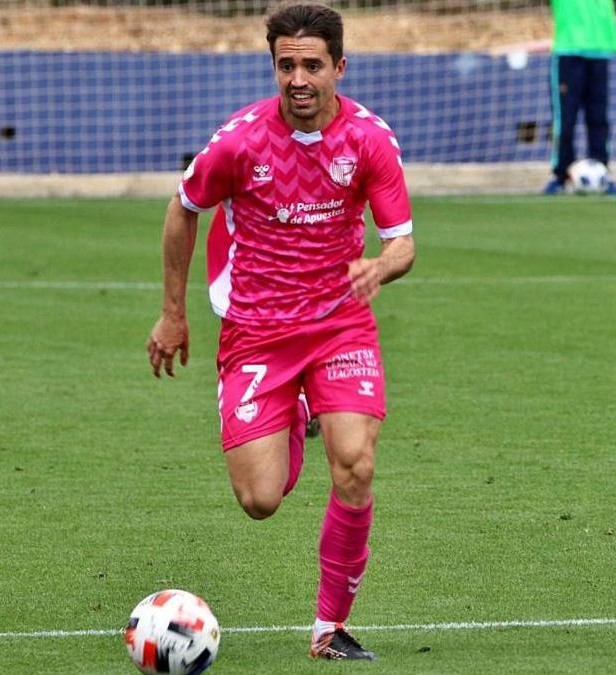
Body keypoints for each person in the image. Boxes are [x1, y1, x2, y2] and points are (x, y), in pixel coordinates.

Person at [146, 3, 415, 662]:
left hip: (339, 324)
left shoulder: (369, 140)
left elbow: (403, 243)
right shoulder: (238, 142)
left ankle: (330, 625)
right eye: (286, 64)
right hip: (257, 332)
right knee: (259, 498)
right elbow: (183, 208)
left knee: (355, 463)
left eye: (312, 65)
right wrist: (173, 312)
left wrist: (380, 266)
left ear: (338, 68)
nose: (298, 78)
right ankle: (295, 408)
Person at [543, 0, 616, 195]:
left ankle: (602, 171)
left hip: (600, 49)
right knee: (565, 119)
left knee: (599, 117)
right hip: (568, 50)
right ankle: (561, 175)